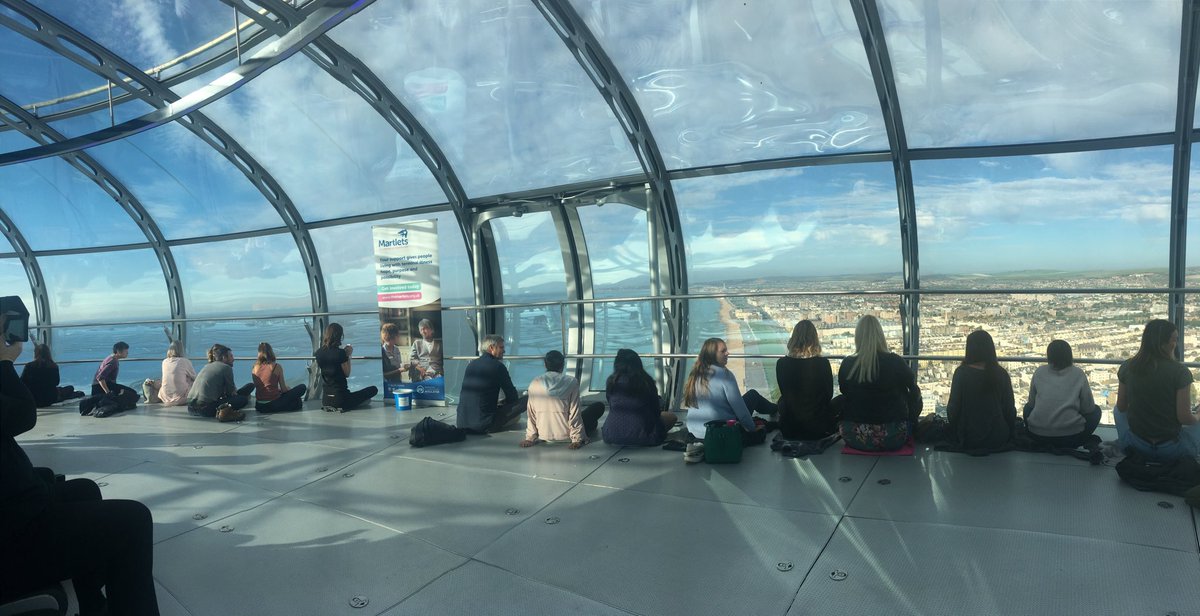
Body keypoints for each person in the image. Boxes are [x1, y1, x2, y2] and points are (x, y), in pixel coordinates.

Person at [1, 317, 160, 615]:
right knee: (134, 520)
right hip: (13, 529)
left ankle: (93, 604)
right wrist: (3, 362)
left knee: (85, 488)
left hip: (16, 503)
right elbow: (22, 414)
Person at [1115, 319, 1200, 461]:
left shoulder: (1128, 366)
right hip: (1174, 451)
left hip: (1135, 447)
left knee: (1116, 410)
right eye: (1174, 340)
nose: (1176, 344)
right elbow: (1184, 418)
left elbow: (1121, 407)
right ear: (1163, 344)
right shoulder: (1180, 372)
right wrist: (1198, 415)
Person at [682, 337, 774, 462]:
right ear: (712, 355)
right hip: (720, 432)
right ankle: (777, 409)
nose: (727, 353)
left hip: (695, 432)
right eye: (723, 351)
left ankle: (699, 447)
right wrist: (752, 428)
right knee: (752, 396)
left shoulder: (696, 373)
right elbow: (740, 410)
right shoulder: (725, 375)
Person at [837, 315, 921, 452]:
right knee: (912, 392)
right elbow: (913, 389)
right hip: (893, 436)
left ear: (857, 337)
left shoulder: (847, 363)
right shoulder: (895, 361)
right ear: (881, 335)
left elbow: (844, 390)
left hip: (854, 435)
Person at [945, 329, 1016, 452]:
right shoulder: (1001, 373)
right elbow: (1009, 409)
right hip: (998, 437)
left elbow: (953, 409)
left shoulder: (961, 373)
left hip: (968, 437)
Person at [1024, 339, 1101, 449]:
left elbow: (1031, 404)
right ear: (1070, 355)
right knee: (1096, 411)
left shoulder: (1039, 371)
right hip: (1071, 437)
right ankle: (1079, 438)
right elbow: (1088, 409)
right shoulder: (1078, 374)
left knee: (1027, 408)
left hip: (1037, 435)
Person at [520, 350, 603, 449]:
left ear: (545, 365)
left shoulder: (534, 383)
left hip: (543, 435)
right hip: (566, 435)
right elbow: (574, 413)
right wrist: (577, 439)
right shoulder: (571, 382)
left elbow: (531, 414)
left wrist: (529, 438)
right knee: (598, 407)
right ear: (562, 365)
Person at [775, 320, 836, 440]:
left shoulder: (781, 363)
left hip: (790, 429)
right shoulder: (823, 364)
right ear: (815, 339)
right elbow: (829, 394)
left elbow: (785, 393)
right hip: (818, 429)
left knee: (782, 401)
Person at [602, 348, 677, 446]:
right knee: (671, 417)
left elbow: (611, 404)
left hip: (611, 435)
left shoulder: (611, 382)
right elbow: (656, 412)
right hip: (645, 437)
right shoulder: (646, 382)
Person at [457, 335, 526, 433]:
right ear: (491, 348)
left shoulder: (471, 365)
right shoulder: (498, 367)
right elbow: (512, 396)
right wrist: (505, 403)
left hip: (462, 423)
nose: (504, 351)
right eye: (501, 347)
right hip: (484, 425)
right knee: (527, 399)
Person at [315, 323, 377, 412]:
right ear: (340, 336)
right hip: (341, 400)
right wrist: (348, 356)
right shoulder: (340, 353)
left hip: (326, 400)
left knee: (364, 399)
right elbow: (347, 373)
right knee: (373, 390)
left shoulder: (319, 353)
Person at [186, 344, 252, 421]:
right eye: (231, 356)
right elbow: (230, 393)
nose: (233, 359)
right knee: (243, 399)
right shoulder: (226, 368)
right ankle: (224, 412)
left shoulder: (207, 366)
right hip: (205, 410)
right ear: (224, 357)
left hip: (190, 409)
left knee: (244, 392)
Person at [19, 343, 83, 407]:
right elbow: (56, 382)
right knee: (70, 388)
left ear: (36, 353)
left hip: (34, 398)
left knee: (63, 390)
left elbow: (22, 382)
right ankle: (77, 394)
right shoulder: (53, 366)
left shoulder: (29, 366)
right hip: (50, 397)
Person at [252, 342, 307, 413]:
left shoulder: (254, 367)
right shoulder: (276, 366)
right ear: (271, 352)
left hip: (259, 405)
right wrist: (288, 389)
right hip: (273, 404)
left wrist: (277, 390)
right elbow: (284, 390)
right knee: (302, 387)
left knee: (293, 400)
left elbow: (261, 387)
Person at [142, 341, 195, 406]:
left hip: (165, 397)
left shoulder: (165, 361)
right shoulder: (184, 361)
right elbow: (195, 377)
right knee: (191, 380)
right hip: (180, 399)